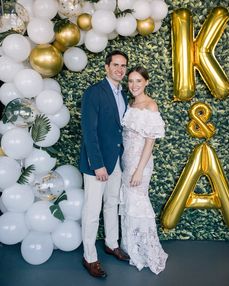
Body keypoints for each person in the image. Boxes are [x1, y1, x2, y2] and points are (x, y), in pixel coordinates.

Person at [79, 50, 130, 278]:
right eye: (116, 65)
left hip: (117, 161)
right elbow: (89, 131)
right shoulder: (94, 92)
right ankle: (89, 257)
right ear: (106, 67)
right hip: (97, 163)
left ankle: (111, 243)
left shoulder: (124, 94)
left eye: (123, 66)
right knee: (92, 210)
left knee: (112, 204)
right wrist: (97, 164)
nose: (120, 69)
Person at [119, 66, 168, 275]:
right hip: (125, 161)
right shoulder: (129, 104)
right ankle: (131, 247)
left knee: (139, 202)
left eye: (138, 81)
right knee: (128, 202)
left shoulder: (151, 106)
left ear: (146, 82)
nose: (134, 85)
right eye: (130, 81)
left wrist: (139, 170)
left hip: (141, 164)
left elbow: (150, 142)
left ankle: (146, 250)